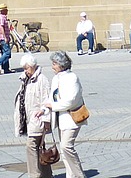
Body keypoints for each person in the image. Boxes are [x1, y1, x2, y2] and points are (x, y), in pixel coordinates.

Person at [42, 50, 87, 178]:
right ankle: (70, 175)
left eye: (54, 63)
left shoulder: (72, 78)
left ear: (62, 65)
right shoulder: (56, 78)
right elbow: (52, 97)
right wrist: (44, 110)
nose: (52, 66)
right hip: (61, 120)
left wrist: (53, 106)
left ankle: (79, 175)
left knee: (66, 146)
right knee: (63, 150)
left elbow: (71, 101)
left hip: (72, 119)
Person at [14, 53, 53, 178]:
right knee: (40, 148)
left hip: (37, 119)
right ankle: (47, 175)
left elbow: (47, 101)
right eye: (24, 68)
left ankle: (34, 175)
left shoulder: (42, 80)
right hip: (28, 119)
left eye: (27, 68)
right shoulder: (24, 79)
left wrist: (46, 119)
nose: (25, 71)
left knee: (31, 146)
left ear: (33, 66)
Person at [0, 4, 13, 75]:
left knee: (4, 53)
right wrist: (5, 37)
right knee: (7, 53)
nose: (7, 10)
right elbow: (1, 28)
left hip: (1, 38)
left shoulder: (1, 17)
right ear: (3, 10)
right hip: (2, 38)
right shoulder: (2, 17)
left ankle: (6, 68)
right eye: (6, 9)